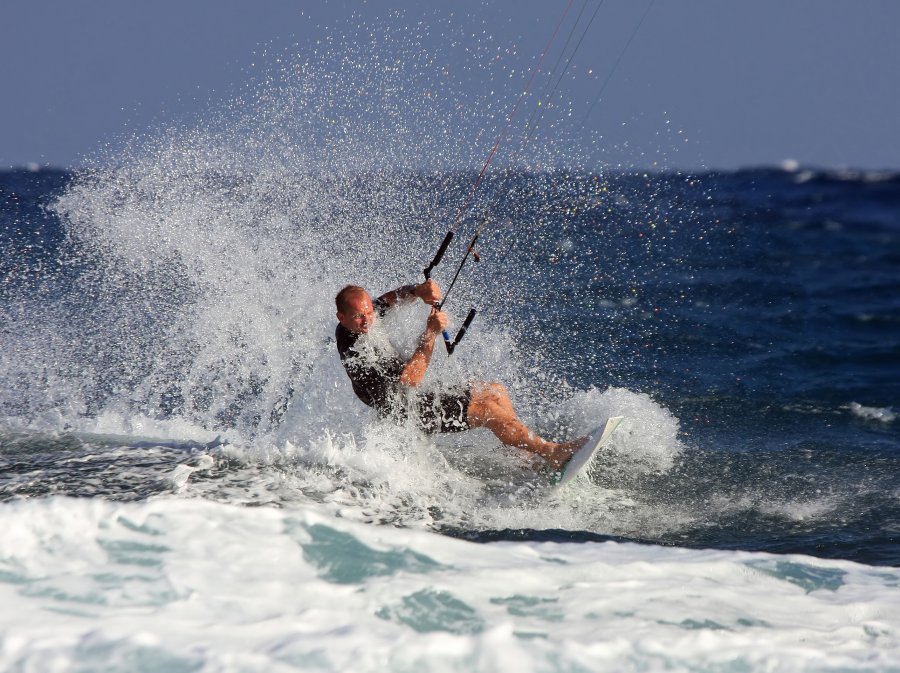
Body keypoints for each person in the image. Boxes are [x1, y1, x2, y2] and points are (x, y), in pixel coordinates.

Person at [334, 279, 584, 469]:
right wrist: (430, 333)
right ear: (341, 317)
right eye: (358, 317)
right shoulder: (354, 349)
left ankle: (529, 459)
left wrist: (418, 291)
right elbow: (411, 379)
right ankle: (551, 452)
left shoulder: (367, 314)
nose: (367, 320)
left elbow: (388, 300)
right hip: (406, 411)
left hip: (413, 397)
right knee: (488, 409)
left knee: (494, 391)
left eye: (368, 312)